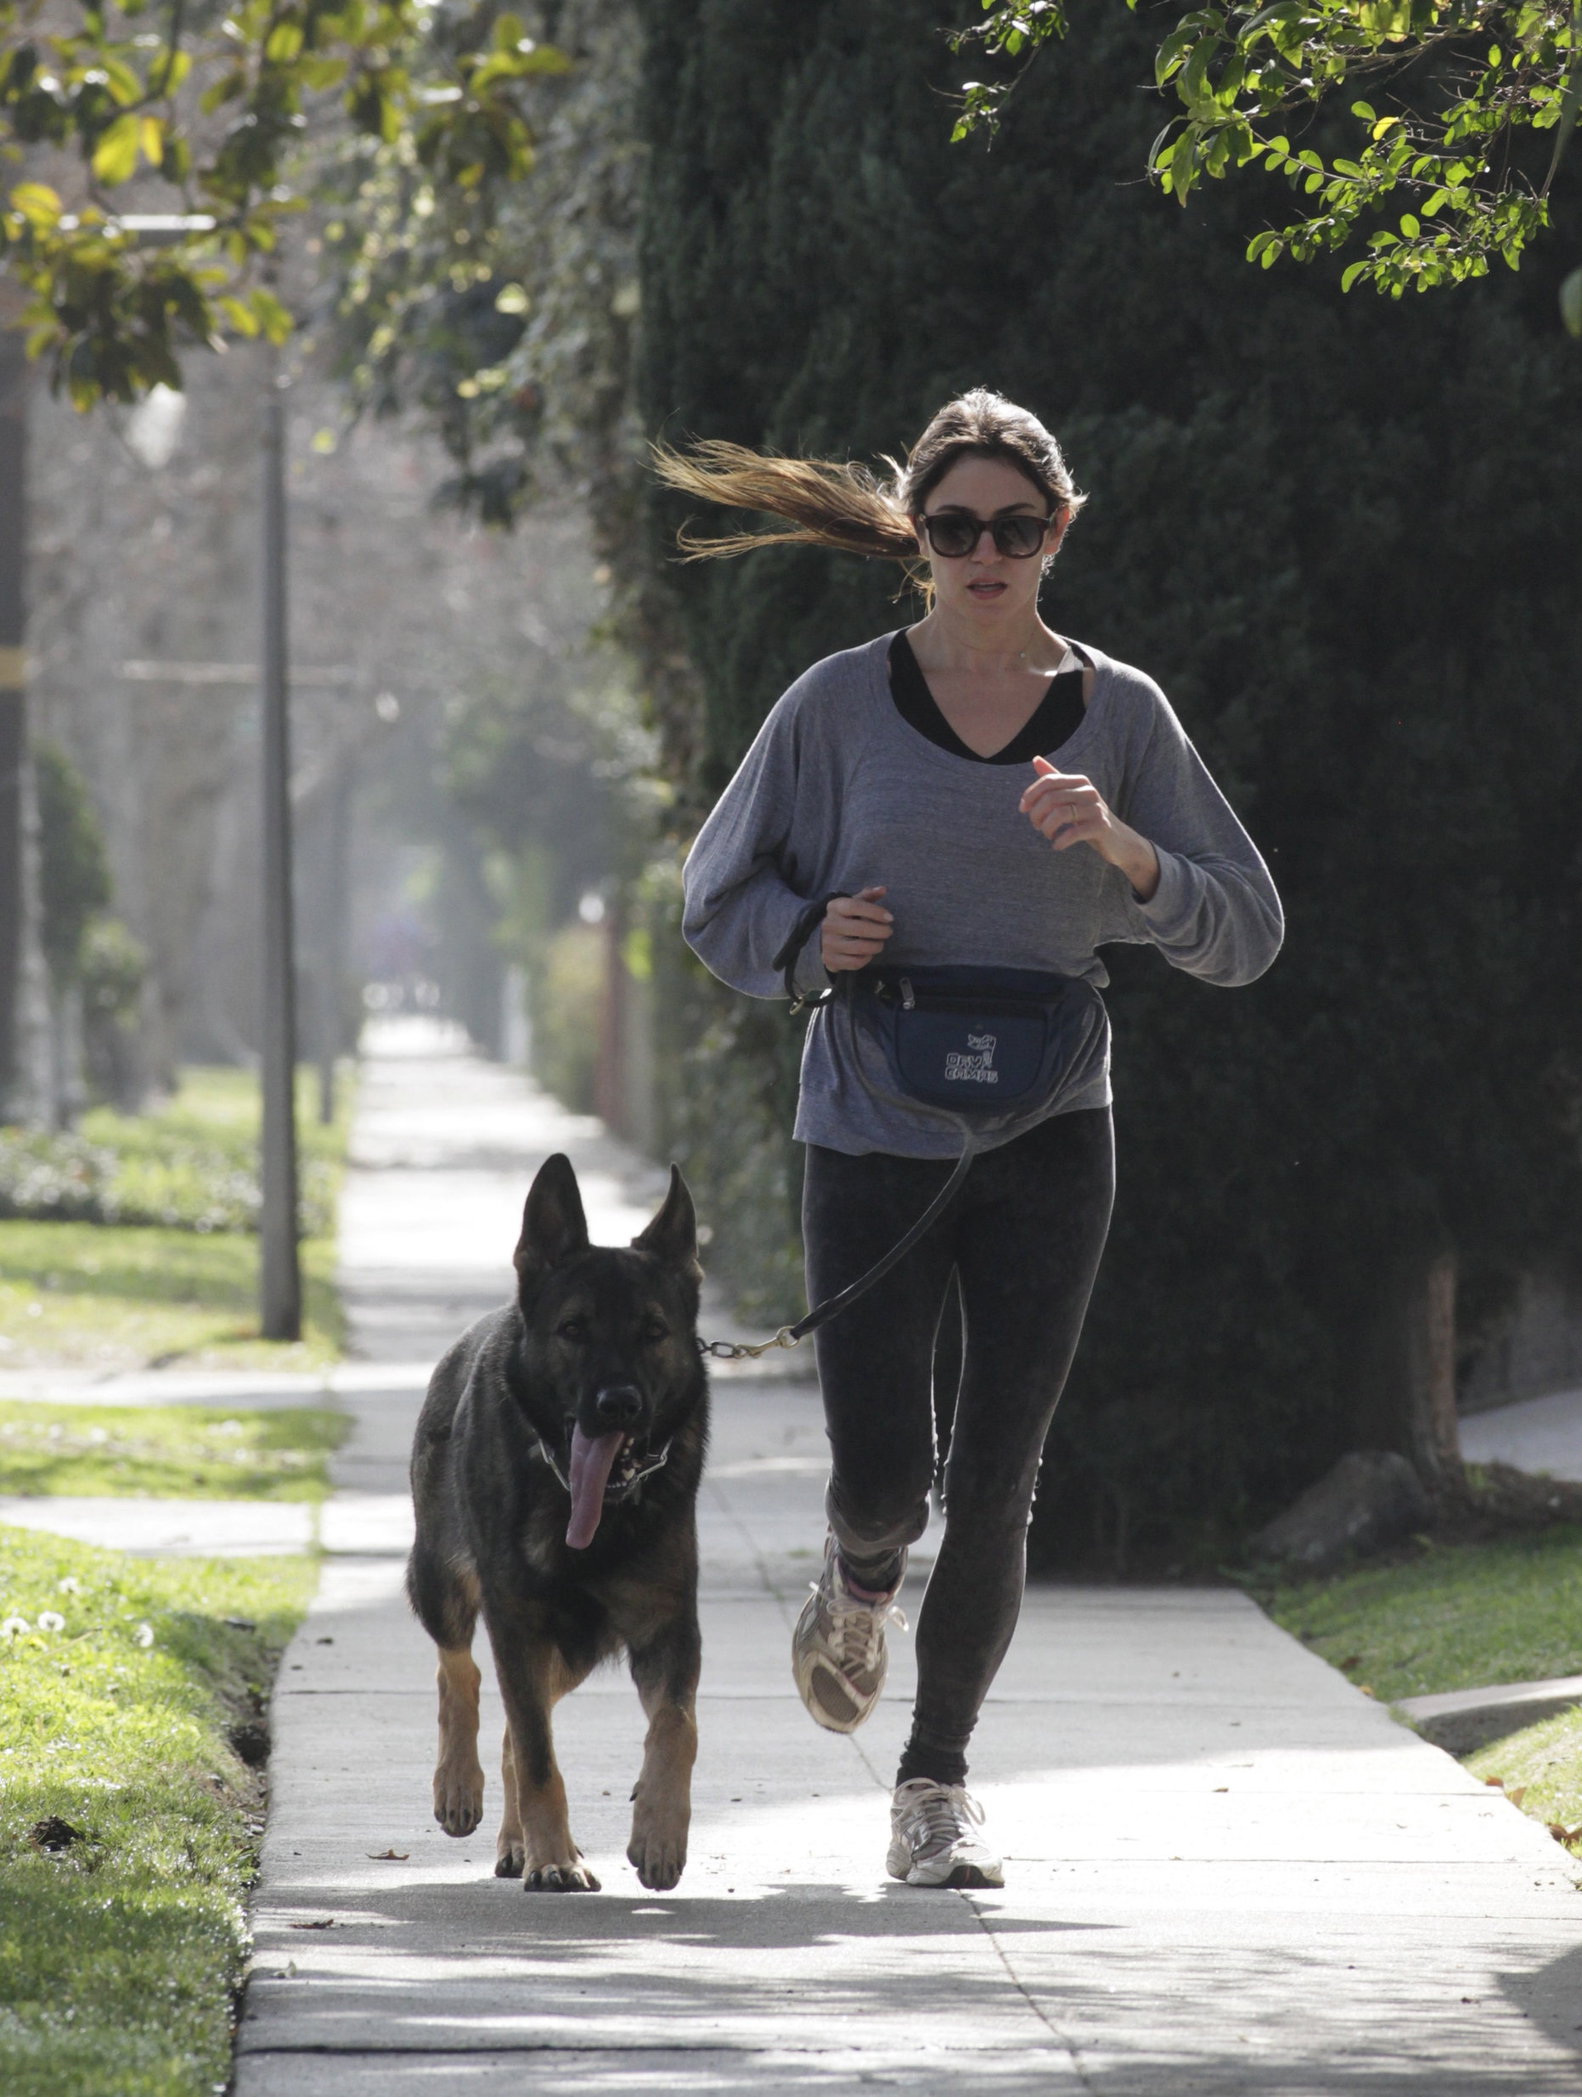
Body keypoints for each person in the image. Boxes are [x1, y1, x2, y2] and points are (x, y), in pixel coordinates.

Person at [669, 389, 1283, 1889]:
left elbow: (1248, 930)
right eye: (955, 528)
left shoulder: (1122, 715)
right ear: (917, 541)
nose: (985, 551)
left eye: (1016, 526)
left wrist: (1127, 850)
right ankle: (859, 1564)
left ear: (1057, 531)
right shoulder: (831, 705)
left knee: (998, 1475)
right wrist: (817, 940)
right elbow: (713, 902)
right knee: (885, 1467)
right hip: (869, 1132)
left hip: (1051, 1136)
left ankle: (933, 1786)